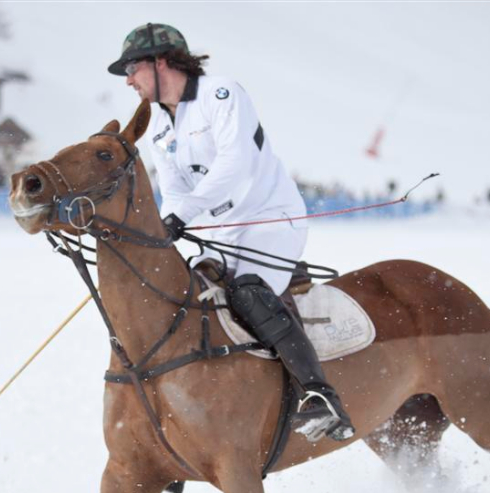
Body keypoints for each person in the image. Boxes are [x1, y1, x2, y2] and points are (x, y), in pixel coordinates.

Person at [109, 23, 354, 442]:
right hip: (221, 229)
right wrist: (169, 227)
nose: (128, 80)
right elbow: (173, 192)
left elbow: (234, 164)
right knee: (187, 293)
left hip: (270, 217)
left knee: (247, 293)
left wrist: (183, 214)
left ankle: (319, 395)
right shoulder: (160, 130)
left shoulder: (220, 94)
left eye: (132, 68)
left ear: (160, 61)